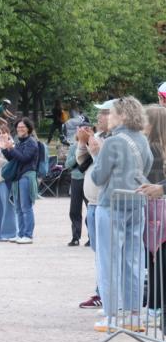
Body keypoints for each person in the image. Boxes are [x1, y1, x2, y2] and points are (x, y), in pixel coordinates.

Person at [89, 97, 152, 332]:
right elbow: (148, 166)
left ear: (123, 116)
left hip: (111, 203)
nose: (109, 117)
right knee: (133, 260)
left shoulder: (114, 142)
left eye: (112, 113)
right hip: (136, 202)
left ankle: (111, 316)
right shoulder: (142, 140)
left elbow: (98, 178)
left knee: (108, 261)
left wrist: (96, 155)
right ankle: (135, 316)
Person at [78, 110, 108, 309]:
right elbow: (80, 162)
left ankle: (107, 294)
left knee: (107, 253)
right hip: (92, 203)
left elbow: (103, 165)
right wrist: (82, 142)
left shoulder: (113, 140)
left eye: (102, 115)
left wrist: (92, 145)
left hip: (104, 202)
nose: (98, 119)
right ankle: (101, 291)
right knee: (98, 253)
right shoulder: (97, 138)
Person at [0, 118, 41, 244]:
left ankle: (28, 235)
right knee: (18, 208)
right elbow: (12, 159)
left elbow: (24, 158)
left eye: (23, 127)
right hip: (18, 176)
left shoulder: (31, 142)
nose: (20, 129)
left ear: (28, 128)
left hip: (27, 176)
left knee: (26, 207)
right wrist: (5, 148)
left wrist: (12, 148)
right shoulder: (20, 142)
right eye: (18, 127)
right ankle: (20, 234)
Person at [142, 104, 166, 320]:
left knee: (156, 257)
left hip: (157, 208)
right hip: (156, 206)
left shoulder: (154, 149)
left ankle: (156, 305)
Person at [65, 123, 90, 246]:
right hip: (76, 179)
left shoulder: (92, 145)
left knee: (90, 209)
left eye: (86, 129)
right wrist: (77, 155)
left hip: (88, 180)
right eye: (80, 130)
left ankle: (92, 236)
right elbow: (67, 165)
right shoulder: (73, 147)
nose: (82, 132)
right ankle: (75, 237)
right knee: (74, 210)